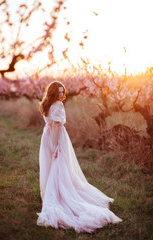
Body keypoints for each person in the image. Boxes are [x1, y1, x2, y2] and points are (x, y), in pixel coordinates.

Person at [37, 80, 122, 233]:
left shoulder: (46, 104)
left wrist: (51, 142)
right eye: (59, 92)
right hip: (55, 136)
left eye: (63, 92)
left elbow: (50, 123)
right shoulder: (58, 105)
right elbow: (56, 125)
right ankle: (59, 193)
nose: (62, 95)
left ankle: (54, 191)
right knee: (59, 164)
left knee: (52, 165)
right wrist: (56, 145)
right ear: (54, 92)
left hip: (46, 136)